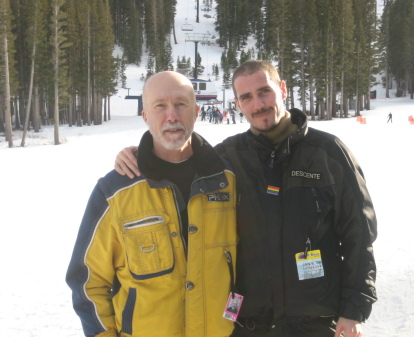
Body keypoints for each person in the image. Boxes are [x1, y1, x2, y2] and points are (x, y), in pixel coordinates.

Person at [114, 61, 377, 337]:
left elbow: (359, 236)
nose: (258, 104)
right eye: (247, 97)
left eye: (265, 92)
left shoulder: (328, 154)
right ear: (238, 103)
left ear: (283, 89)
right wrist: (137, 155)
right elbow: (176, 165)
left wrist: (354, 309)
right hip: (249, 324)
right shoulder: (226, 158)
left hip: (316, 322)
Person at [66, 71, 238, 337]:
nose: (172, 116)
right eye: (160, 106)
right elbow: (88, 281)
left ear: (195, 111)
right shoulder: (115, 191)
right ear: (145, 116)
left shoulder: (227, 181)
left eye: (181, 104)